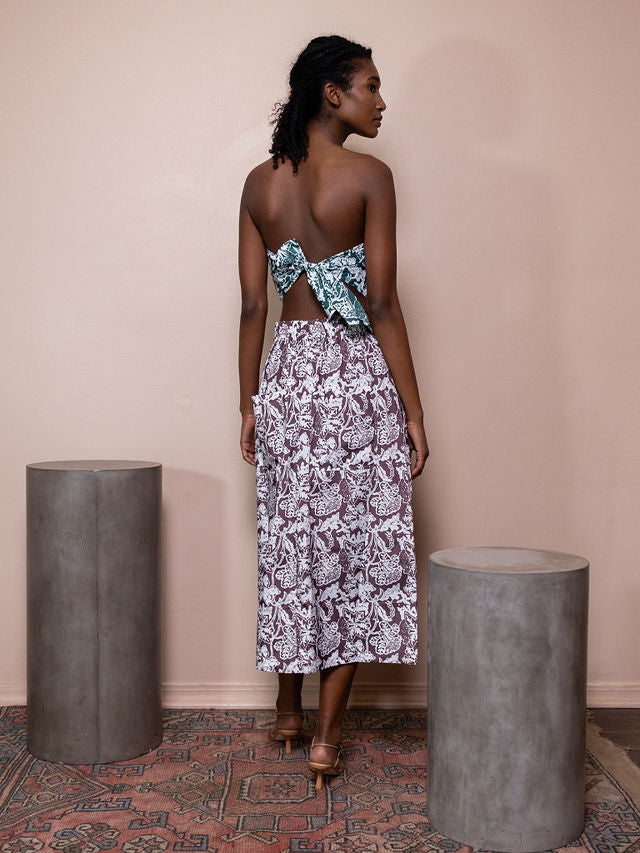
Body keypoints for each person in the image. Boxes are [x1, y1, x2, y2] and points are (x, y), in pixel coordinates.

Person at [238, 34, 428, 791]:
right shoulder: (370, 178)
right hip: (352, 377)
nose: (382, 101)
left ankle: (287, 712)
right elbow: (380, 302)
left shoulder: (260, 184)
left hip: (285, 376)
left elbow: (255, 304)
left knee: (291, 539)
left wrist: (247, 403)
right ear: (332, 93)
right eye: (371, 86)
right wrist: (413, 410)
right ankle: (326, 737)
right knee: (348, 548)